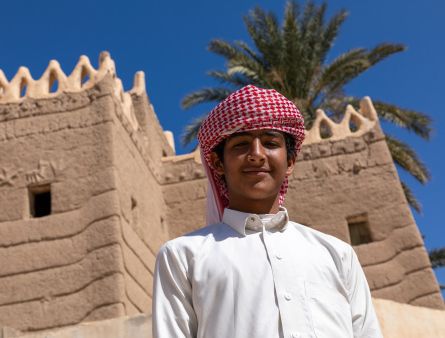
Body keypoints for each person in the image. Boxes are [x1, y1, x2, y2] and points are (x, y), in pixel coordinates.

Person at [152, 85, 383, 338]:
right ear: (218, 163)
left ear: (290, 162)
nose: (257, 155)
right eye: (241, 144)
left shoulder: (337, 255)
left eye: (271, 143)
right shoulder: (183, 256)